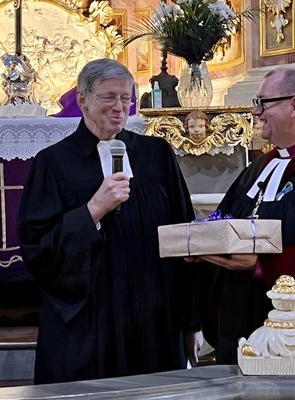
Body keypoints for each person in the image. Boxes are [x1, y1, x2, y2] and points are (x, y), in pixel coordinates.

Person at [18, 58, 201, 385]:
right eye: (109, 97)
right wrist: (91, 212)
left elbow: (184, 235)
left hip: (154, 319)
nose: (119, 107)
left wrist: (190, 321)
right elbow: (37, 248)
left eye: (126, 98)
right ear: (83, 100)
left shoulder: (155, 154)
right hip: (89, 323)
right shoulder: (53, 163)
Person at [198, 66, 295, 364]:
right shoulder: (258, 167)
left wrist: (260, 265)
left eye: (263, 102)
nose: (256, 111)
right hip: (235, 317)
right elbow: (222, 218)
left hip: (282, 327)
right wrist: (196, 240)